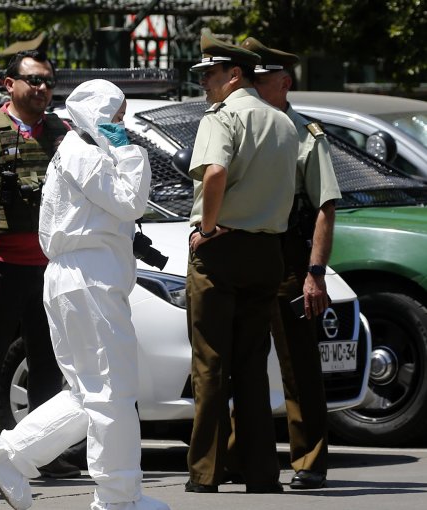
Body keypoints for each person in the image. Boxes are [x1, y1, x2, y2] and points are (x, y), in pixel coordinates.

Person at [0, 79, 170, 510]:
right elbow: (131, 202)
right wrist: (127, 150)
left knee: (87, 393)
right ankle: (119, 498)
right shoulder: (85, 153)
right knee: (112, 392)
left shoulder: (76, 151)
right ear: (100, 116)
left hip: (76, 278)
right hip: (89, 279)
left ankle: (12, 452)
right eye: (116, 116)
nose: (122, 124)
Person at [183, 32, 298, 494]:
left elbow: (215, 172)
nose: (204, 84)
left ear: (234, 75)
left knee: (210, 364)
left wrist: (206, 229)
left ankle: (205, 473)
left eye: (209, 75)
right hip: (267, 251)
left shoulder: (222, 116)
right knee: (252, 365)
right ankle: (261, 473)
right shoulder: (284, 123)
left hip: (222, 250)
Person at [0, 40, 78, 478]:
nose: (43, 89)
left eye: (49, 82)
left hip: (49, 266)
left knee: (49, 364)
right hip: (0, 262)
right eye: (34, 80)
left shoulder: (61, 132)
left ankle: (43, 454)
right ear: (8, 84)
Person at [240, 36, 341, 490]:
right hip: (244, 254)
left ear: (284, 82)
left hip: (288, 258)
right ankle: (239, 457)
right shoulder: (239, 126)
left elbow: (324, 206)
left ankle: (309, 460)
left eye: (258, 80)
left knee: (297, 363)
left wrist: (315, 274)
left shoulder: (305, 135)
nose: (250, 87)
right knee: (240, 360)